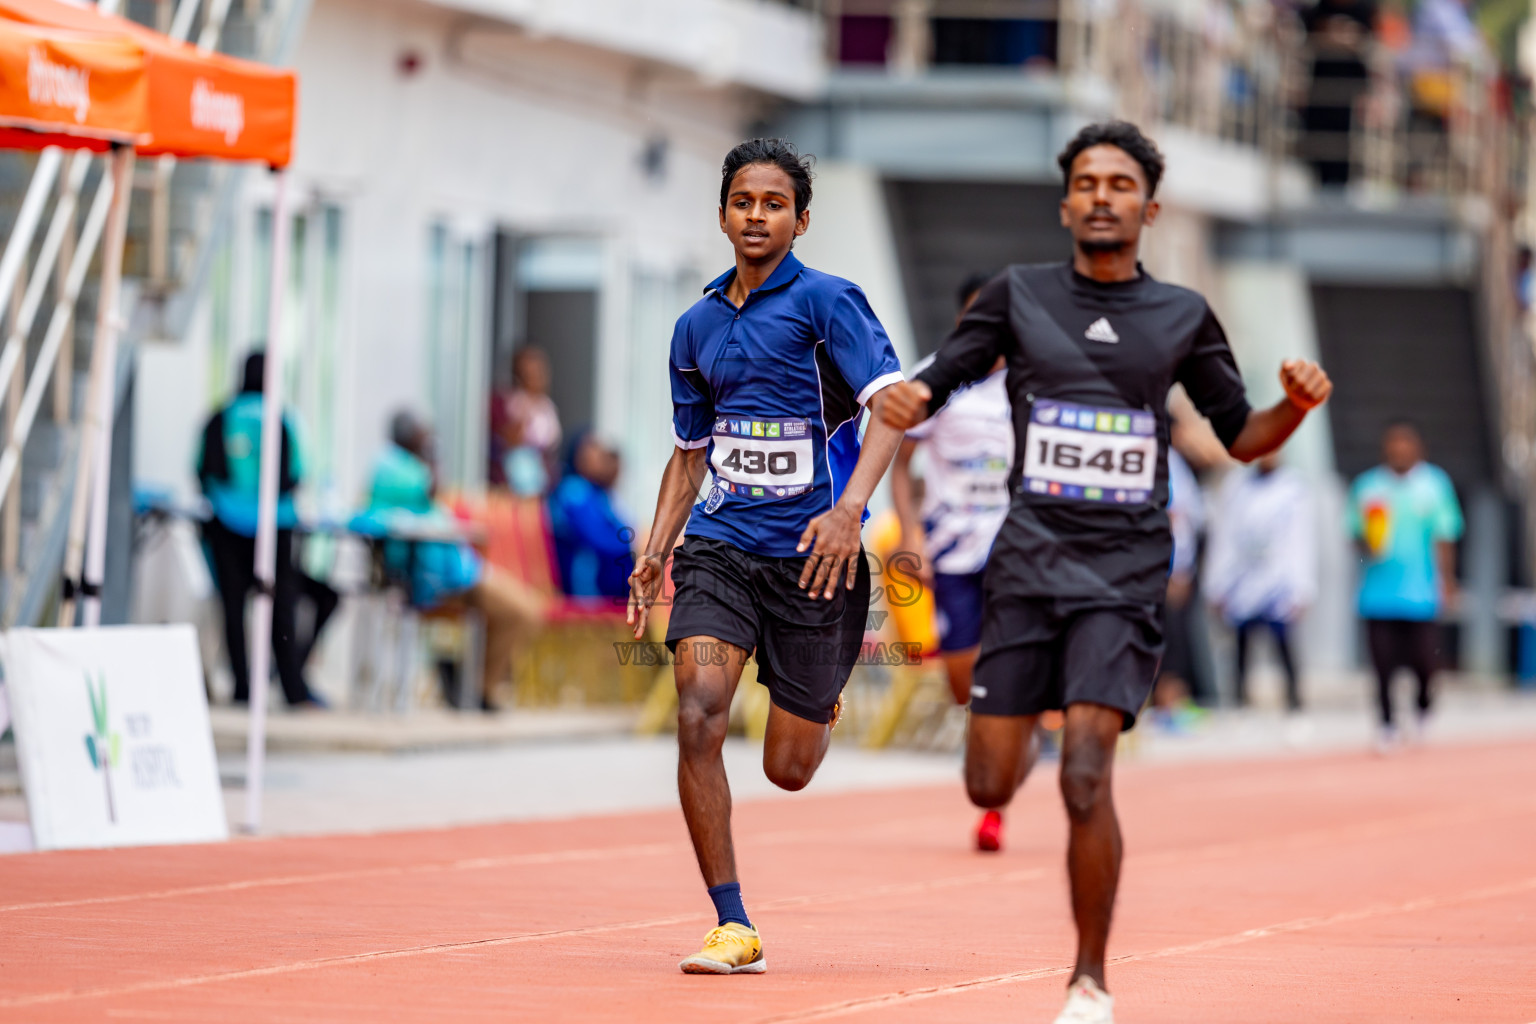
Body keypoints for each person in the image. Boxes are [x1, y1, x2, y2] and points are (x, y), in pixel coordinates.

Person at [879, 121, 1333, 1024]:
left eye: (1119, 183)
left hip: (1122, 575)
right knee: (989, 782)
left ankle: (1090, 979)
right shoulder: (1017, 296)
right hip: (1024, 569)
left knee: (1087, 772)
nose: (1101, 195)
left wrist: (1293, 406)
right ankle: (1019, 727)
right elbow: (945, 377)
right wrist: (908, 397)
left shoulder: (1181, 316)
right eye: (1085, 181)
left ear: (1148, 207)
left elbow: (1239, 435)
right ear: (1065, 204)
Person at [626, 138, 905, 976]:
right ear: (722, 214)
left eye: (774, 203)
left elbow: (891, 408)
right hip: (721, 547)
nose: (757, 215)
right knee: (698, 707)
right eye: (743, 201)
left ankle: (816, 702)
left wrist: (852, 510)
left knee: (787, 769)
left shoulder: (828, 304)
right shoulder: (696, 325)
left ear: (801, 219)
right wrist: (657, 547)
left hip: (815, 561)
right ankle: (731, 921)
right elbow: (690, 451)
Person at [890, 271, 1018, 852]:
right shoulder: (936, 375)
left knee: (1008, 679)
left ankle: (995, 806)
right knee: (967, 686)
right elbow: (899, 460)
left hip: (1020, 551)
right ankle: (1006, 737)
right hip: (953, 551)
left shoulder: (1035, 380)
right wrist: (910, 532)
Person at [361, 411, 547, 709]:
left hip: (456, 570)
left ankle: (467, 681)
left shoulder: (395, 468)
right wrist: (430, 459)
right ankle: (477, 688)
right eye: (423, 433)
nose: (428, 439)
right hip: (439, 576)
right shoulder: (398, 469)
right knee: (523, 611)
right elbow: (431, 488)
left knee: (527, 609)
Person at [196, 352, 326, 708]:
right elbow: (300, 472)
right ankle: (291, 690)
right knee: (280, 607)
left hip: (226, 523)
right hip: (276, 526)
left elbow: (201, 470)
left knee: (233, 608)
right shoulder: (283, 419)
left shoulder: (220, 417)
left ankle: (242, 687)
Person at [1347, 421, 1462, 749]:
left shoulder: (1434, 485)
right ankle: (1386, 723)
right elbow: (1354, 534)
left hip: (1420, 592)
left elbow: (1445, 536)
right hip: (1377, 593)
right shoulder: (1369, 486)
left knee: (1425, 661)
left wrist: (1447, 581)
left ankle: (1423, 708)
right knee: (1382, 663)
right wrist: (1367, 543)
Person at [1205, 451, 1317, 711]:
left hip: (1279, 581)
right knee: (1242, 647)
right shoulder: (1237, 485)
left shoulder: (1294, 488)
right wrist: (1217, 584)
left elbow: (1303, 541)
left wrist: (1303, 588)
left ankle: (1294, 703)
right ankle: (1239, 703)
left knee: (1284, 645)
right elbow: (1224, 536)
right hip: (1243, 580)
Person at [548, 430, 634, 601]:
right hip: (586, 585)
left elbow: (623, 531)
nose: (601, 455)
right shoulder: (574, 490)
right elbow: (597, 539)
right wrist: (633, 548)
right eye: (593, 448)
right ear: (578, 456)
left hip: (606, 581)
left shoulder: (599, 493)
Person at [490, 347, 561, 495]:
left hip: (542, 480)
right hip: (514, 478)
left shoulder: (547, 406)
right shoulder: (511, 402)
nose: (537, 378)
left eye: (540, 372)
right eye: (530, 373)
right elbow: (509, 440)